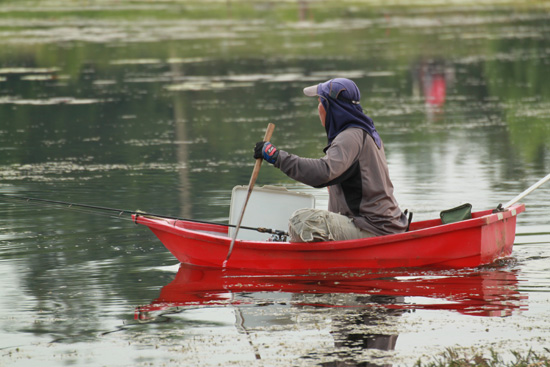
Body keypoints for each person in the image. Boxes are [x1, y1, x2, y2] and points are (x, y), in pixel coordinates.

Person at [254, 78, 408, 242]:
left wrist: (276, 157)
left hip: (373, 228)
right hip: (380, 224)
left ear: (331, 108)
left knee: (301, 220)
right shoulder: (365, 131)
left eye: (320, 102)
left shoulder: (350, 137)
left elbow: (322, 173)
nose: (318, 108)